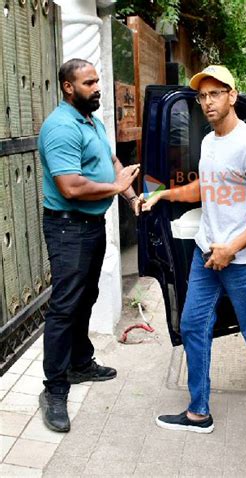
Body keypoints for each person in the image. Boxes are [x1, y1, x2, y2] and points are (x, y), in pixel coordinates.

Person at [141, 65, 246, 433]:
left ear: (233, 95)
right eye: (202, 96)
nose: (208, 102)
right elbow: (205, 188)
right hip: (205, 252)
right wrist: (164, 193)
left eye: (215, 93)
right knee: (193, 325)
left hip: (239, 260)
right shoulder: (211, 142)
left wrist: (232, 247)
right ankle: (198, 411)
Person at [38, 58, 140, 432]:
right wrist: (116, 188)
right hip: (68, 228)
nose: (98, 87)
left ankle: (80, 364)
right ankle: (54, 388)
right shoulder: (61, 128)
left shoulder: (92, 121)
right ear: (69, 87)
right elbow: (71, 186)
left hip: (91, 226)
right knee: (65, 307)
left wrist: (132, 199)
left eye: (98, 81)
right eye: (89, 82)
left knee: (85, 297)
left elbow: (113, 163)